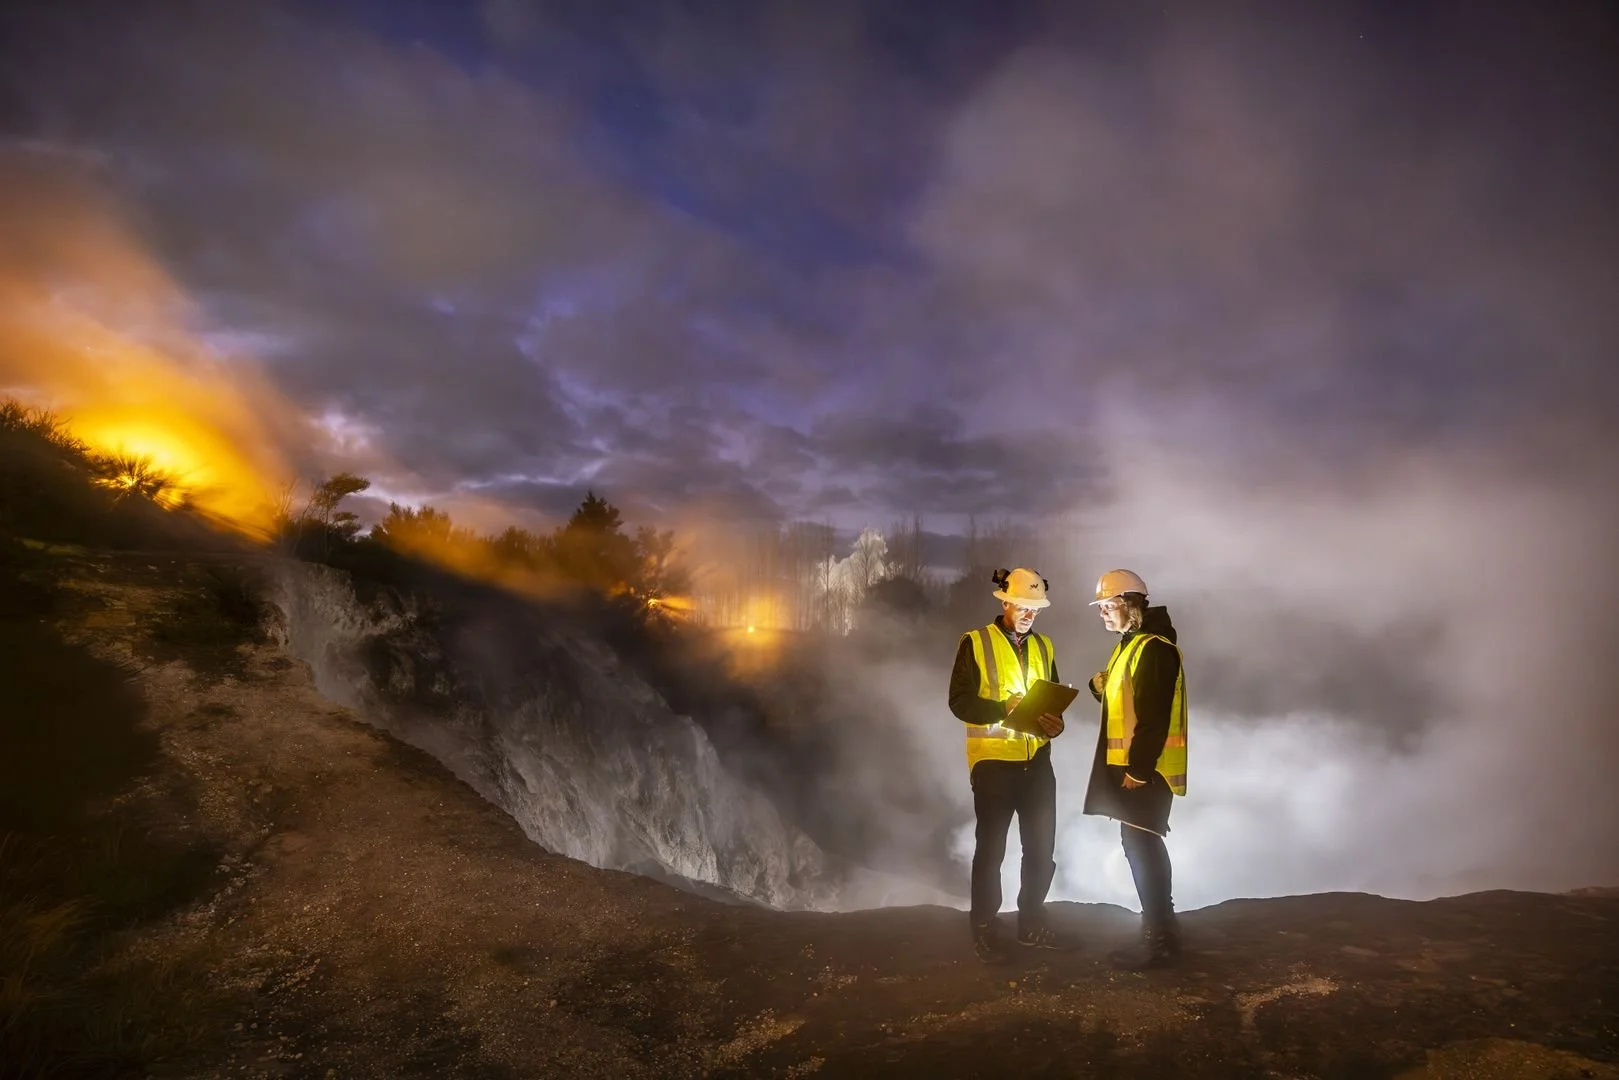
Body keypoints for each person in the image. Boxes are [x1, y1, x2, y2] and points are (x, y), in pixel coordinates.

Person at [948, 567, 1075, 964]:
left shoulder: (1045, 646)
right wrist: (1002, 709)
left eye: (1035, 609)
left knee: (1041, 850)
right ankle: (984, 927)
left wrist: (1054, 725)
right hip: (993, 767)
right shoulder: (975, 642)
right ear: (1005, 602)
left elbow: (1049, 701)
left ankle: (1032, 922)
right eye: (1023, 606)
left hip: (1037, 764)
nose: (1029, 614)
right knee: (992, 852)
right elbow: (959, 703)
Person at [1082, 568, 1188, 970]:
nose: (1104, 614)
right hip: (1136, 767)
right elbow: (1123, 697)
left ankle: (1158, 940)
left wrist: (1140, 770)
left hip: (1147, 770)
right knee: (1141, 846)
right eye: (1102, 607)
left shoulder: (1153, 648)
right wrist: (1098, 686)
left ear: (1130, 604)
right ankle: (1164, 930)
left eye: (1109, 606)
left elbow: (1153, 716)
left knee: (1142, 848)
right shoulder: (1133, 645)